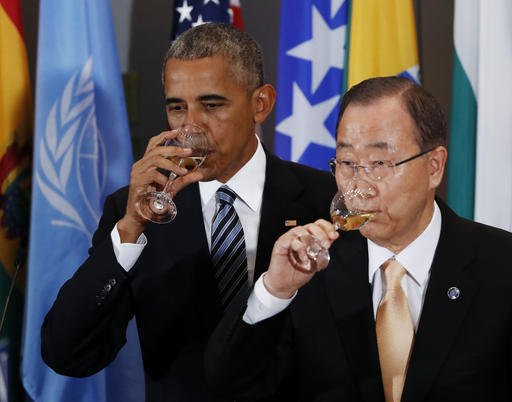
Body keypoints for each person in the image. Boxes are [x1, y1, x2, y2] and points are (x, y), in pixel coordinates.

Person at [41, 23, 336, 402]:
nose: (191, 126)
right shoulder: (134, 213)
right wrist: (129, 230)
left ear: (260, 104)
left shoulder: (323, 199)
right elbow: (67, 354)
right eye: (177, 107)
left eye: (212, 105)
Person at [205, 76, 512, 402]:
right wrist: (274, 291)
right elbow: (231, 387)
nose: (359, 186)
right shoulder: (305, 270)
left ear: (434, 166)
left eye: (380, 163)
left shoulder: (501, 266)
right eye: (348, 163)